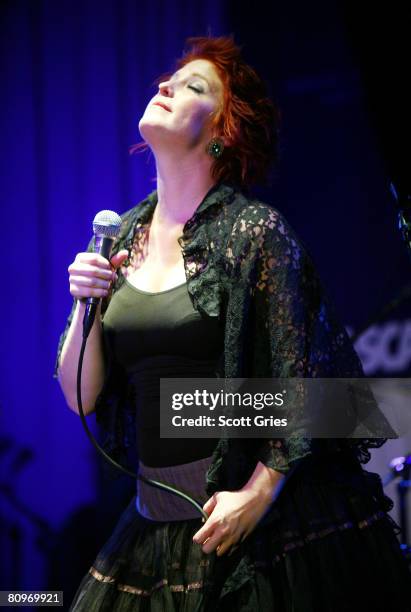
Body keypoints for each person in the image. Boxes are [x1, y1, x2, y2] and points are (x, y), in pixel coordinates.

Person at [54, 36, 411, 611]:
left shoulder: (255, 234)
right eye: (169, 79)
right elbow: (81, 397)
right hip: (157, 524)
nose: (164, 85)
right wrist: (84, 303)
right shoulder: (119, 237)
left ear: (222, 132)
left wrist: (260, 492)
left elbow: (325, 396)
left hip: (263, 523)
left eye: (191, 86)